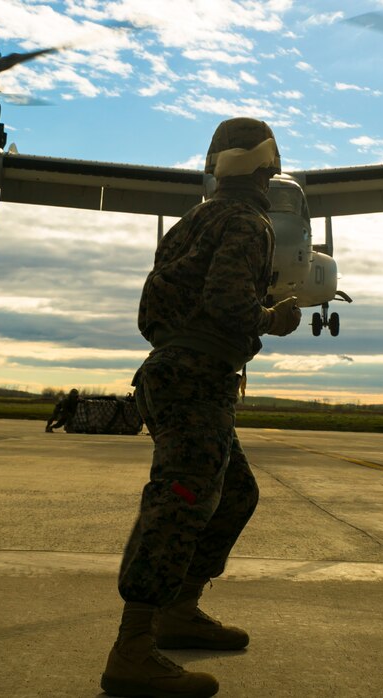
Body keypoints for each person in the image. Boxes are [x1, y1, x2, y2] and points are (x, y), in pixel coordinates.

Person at [100, 117, 301, 698]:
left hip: (171, 372)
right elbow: (229, 304)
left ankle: (178, 611)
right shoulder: (249, 223)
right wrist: (273, 319)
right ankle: (132, 648)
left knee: (235, 493)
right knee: (180, 501)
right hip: (195, 378)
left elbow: (150, 312)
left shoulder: (192, 223)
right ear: (268, 169)